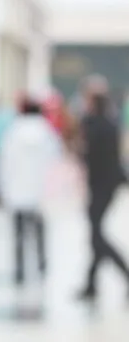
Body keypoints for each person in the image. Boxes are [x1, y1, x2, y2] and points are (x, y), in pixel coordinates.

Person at [0, 98, 63, 285]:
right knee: (39, 230)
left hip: (17, 189)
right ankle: (41, 264)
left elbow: (3, 161)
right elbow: (56, 158)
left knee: (18, 232)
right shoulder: (47, 132)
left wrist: (1, 186)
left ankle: (20, 269)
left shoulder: (12, 132)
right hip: (39, 190)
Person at [77, 92, 129, 301]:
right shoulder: (108, 124)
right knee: (95, 235)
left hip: (102, 187)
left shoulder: (98, 127)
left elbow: (91, 157)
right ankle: (91, 284)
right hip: (105, 186)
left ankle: (125, 273)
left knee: (97, 236)